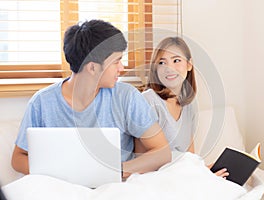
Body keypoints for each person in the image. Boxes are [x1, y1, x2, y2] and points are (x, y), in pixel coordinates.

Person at [11, 19, 171, 179]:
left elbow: (162, 153)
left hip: (115, 188)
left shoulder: (126, 97)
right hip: (63, 189)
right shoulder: (42, 103)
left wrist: (115, 170)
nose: (121, 69)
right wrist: (64, 175)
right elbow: (18, 159)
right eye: (116, 61)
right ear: (92, 67)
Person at [135, 37, 228, 177]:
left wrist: (203, 171)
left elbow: (189, 156)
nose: (169, 68)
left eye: (176, 60)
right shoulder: (148, 101)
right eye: (162, 62)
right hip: (155, 179)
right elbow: (143, 163)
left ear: (189, 65)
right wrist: (193, 177)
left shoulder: (188, 104)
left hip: (182, 176)